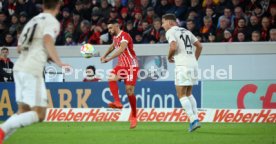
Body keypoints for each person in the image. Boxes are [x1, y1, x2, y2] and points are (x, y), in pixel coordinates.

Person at [0, 0, 69, 143]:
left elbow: (19, 48)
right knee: (40, 114)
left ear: (43, 6)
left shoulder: (32, 21)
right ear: (58, 6)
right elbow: (47, 39)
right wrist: (58, 61)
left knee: (23, 112)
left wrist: (45, 55)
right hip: (32, 69)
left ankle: (2, 136)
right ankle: (2, 129)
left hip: (19, 68)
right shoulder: (52, 21)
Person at [162, 13, 202, 132]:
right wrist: (193, 60)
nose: (163, 25)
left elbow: (173, 47)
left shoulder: (170, 32)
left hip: (182, 65)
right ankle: (196, 118)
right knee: (188, 93)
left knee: (181, 94)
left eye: (163, 22)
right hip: (193, 64)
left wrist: (169, 57)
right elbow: (199, 46)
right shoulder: (186, 31)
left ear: (170, 22)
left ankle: (193, 120)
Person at [101, 20, 139, 129]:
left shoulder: (125, 35)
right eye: (108, 28)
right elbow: (112, 46)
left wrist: (108, 59)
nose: (109, 30)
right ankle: (117, 101)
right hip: (122, 65)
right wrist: (104, 55)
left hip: (132, 66)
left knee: (129, 91)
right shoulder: (115, 37)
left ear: (117, 26)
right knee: (111, 76)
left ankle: (134, 116)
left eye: (111, 28)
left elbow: (122, 49)